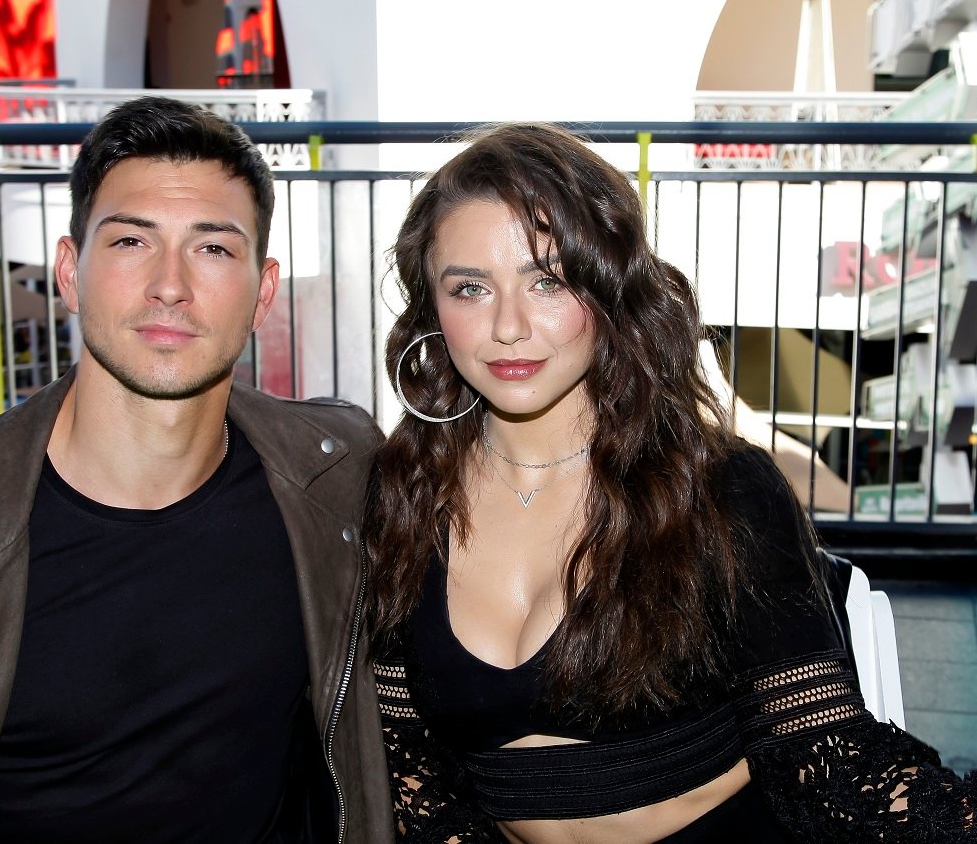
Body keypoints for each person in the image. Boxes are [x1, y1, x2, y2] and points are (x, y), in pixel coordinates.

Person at [0, 97, 392, 842]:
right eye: (132, 241)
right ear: (70, 272)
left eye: (213, 249)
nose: (170, 284)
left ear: (262, 292)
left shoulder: (337, 472)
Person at [363, 122, 976, 842]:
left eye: (547, 281)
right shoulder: (402, 497)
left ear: (611, 289)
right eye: (469, 288)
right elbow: (415, 778)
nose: (507, 326)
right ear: (431, 309)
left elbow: (828, 764)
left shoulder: (718, 490)